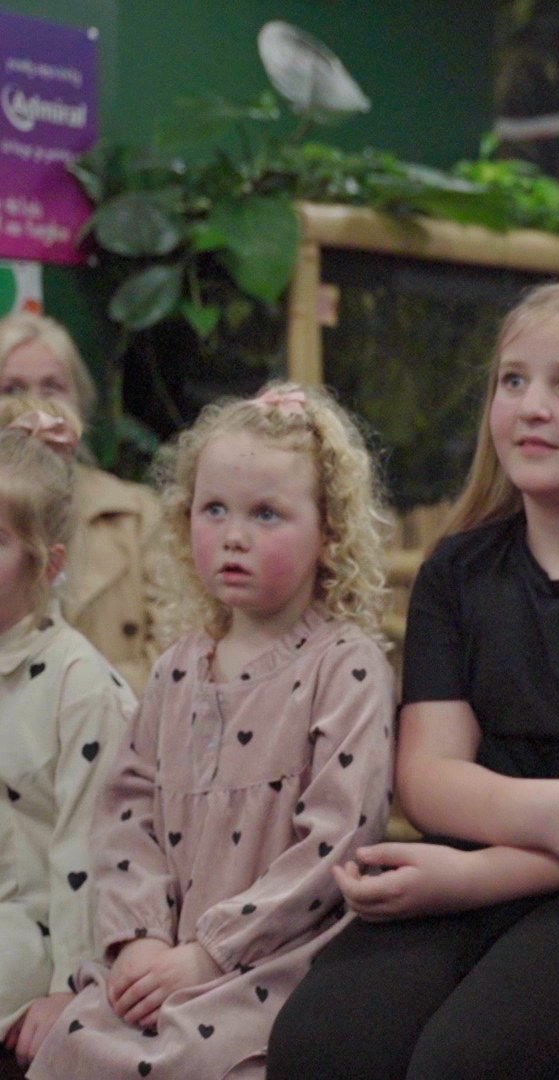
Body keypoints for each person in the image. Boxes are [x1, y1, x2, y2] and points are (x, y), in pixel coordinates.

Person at [268, 279, 559, 1080]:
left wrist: (478, 873)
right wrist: (554, 815)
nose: (531, 406)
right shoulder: (459, 569)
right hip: (474, 865)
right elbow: (426, 780)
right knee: (322, 1046)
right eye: (513, 381)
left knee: (470, 1063)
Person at [26, 382, 396, 1080]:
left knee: (204, 1062)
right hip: (160, 958)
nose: (233, 535)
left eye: (267, 514)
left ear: (331, 535)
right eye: (214, 509)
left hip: (275, 963)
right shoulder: (176, 671)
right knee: (78, 1039)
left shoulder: (346, 666)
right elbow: (126, 818)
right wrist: (135, 940)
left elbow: (337, 838)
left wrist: (210, 953)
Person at [0, 405, 137, 1075]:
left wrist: (67, 992)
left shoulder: (79, 684)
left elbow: (90, 849)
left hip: (37, 931)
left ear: (47, 562)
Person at [0, 313, 163, 692]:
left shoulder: (139, 514)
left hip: (123, 731)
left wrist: (82, 698)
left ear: (80, 401)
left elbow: (180, 651)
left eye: (53, 387)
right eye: (13, 388)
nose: (35, 405)